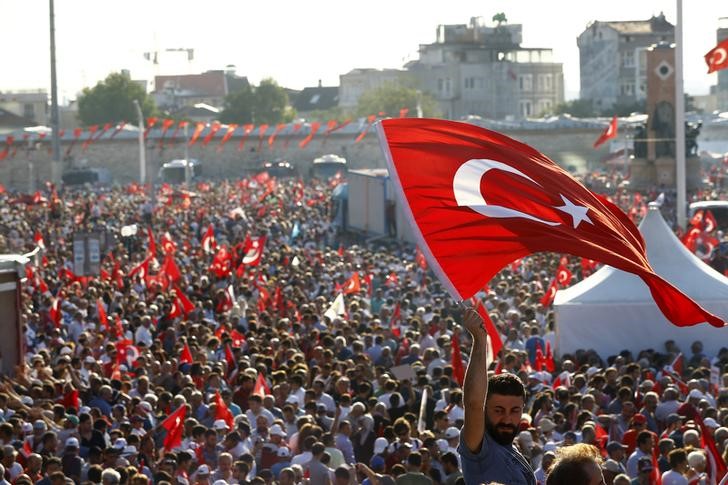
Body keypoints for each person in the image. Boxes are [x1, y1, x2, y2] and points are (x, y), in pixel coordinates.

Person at [459, 307, 536, 485]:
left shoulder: (512, 451)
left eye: (515, 410)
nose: (507, 419)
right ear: (485, 410)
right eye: (499, 410)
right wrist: (479, 340)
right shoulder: (479, 446)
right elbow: (473, 404)